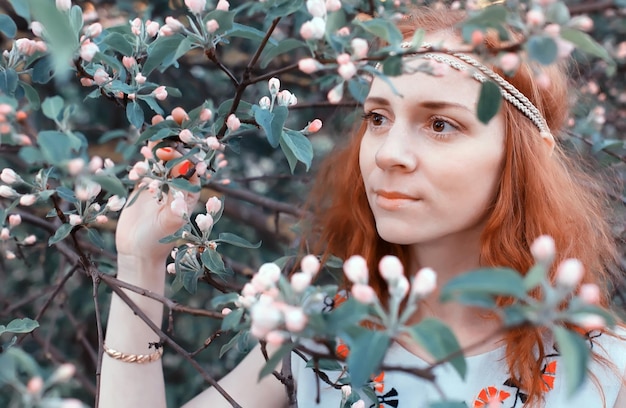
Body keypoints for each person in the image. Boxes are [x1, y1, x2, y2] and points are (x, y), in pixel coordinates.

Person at [99, 6, 626, 408]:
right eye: (378, 118)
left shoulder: (607, 369)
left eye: (440, 124)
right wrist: (139, 263)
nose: (389, 154)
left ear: (523, 157)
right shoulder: (318, 341)